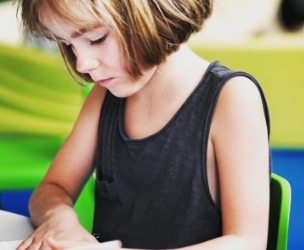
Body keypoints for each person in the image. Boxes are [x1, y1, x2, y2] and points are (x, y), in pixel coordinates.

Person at [15, 0, 271, 250]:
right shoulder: (104, 96)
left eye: (97, 39)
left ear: (156, 10)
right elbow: (52, 188)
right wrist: (59, 219)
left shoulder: (233, 98)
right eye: (69, 44)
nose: (82, 64)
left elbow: (247, 242)